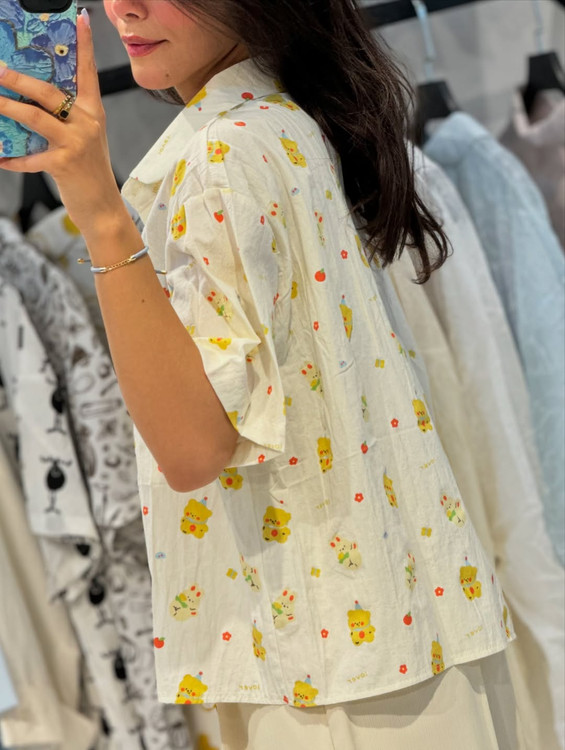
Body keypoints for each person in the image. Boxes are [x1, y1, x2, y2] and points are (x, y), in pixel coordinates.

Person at [0, 1, 521, 748]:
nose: (123, 9)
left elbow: (192, 450)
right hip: (395, 637)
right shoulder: (289, 116)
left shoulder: (223, 158)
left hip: (333, 673)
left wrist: (100, 213)